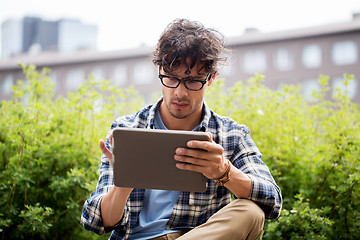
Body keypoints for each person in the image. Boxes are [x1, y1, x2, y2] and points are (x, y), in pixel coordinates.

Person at [81, 18, 282, 240]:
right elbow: (96, 222)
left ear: (211, 78)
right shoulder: (127, 129)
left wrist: (224, 172)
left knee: (251, 212)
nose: (180, 93)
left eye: (193, 81)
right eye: (172, 78)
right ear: (160, 72)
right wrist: (123, 185)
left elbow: (272, 201)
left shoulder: (231, 135)